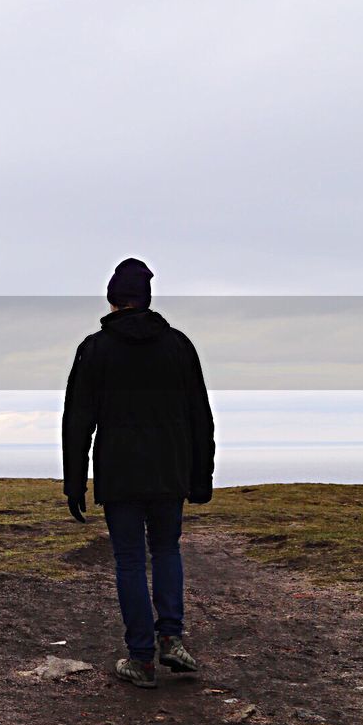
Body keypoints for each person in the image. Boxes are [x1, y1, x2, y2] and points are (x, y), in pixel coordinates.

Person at [61, 258, 215, 689]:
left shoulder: (95, 349)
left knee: (129, 561)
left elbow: (78, 420)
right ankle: (172, 638)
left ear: (113, 300)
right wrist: (201, 477)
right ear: (146, 299)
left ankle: (142, 659)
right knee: (166, 550)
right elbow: (200, 417)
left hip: (120, 474)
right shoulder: (179, 346)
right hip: (170, 473)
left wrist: (75, 481)